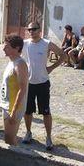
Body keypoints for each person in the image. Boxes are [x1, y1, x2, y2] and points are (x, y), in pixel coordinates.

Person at [21, 22, 65, 150]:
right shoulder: (24, 44)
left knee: (46, 112)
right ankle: (28, 132)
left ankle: (48, 137)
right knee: (28, 111)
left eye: (34, 29)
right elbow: (13, 51)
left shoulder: (46, 44)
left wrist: (51, 67)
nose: (31, 32)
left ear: (39, 30)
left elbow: (63, 55)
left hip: (43, 83)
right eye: (29, 29)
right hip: (29, 83)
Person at [0, 34, 28, 145]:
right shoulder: (11, 62)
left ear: (16, 48)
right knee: (8, 137)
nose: (3, 49)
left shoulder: (20, 64)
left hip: (13, 107)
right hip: (6, 104)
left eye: (7, 47)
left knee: (10, 139)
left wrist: (14, 112)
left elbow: (22, 89)